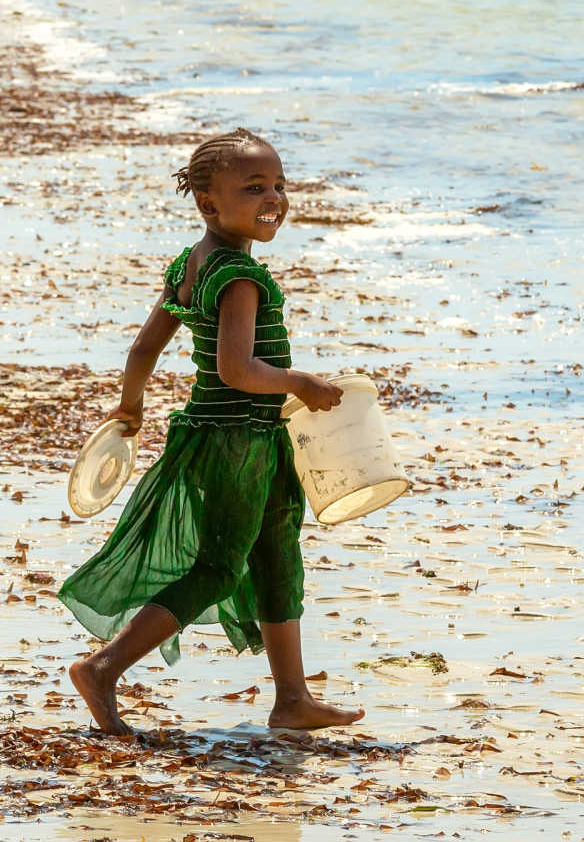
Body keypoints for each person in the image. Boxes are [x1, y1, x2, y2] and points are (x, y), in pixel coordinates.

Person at [60, 127, 362, 736]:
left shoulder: (191, 264)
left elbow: (145, 347)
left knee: (278, 556)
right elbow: (236, 370)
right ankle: (104, 667)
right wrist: (300, 382)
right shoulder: (239, 276)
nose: (273, 197)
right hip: (238, 440)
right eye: (254, 188)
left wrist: (131, 407)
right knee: (220, 567)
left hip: (237, 436)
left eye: (279, 185)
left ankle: (292, 699)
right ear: (209, 204)